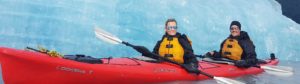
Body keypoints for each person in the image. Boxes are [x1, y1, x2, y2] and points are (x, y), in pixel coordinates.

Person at [132, 18, 199, 73]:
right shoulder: (161, 42)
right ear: (166, 29)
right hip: (163, 66)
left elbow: (191, 56)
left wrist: (192, 65)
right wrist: (146, 53)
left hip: (179, 67)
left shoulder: (182, 40)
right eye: (170, 27)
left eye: (174, 27)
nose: (172, 29)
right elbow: (154, 55)